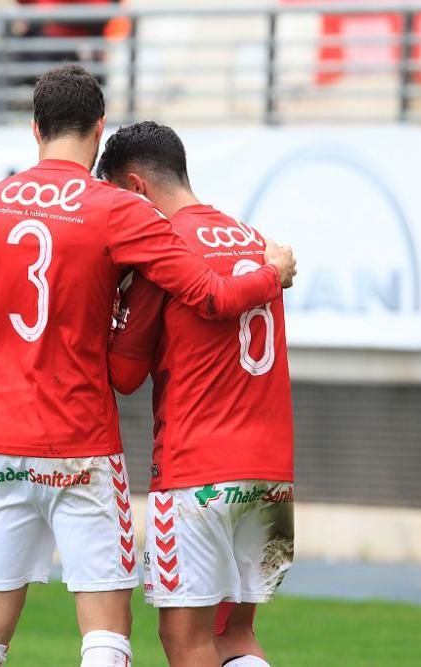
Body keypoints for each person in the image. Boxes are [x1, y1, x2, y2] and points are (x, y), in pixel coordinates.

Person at [0, 66, 297, 667]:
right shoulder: (134, 215)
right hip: (98, 446)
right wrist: (274, 274)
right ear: (98, 125)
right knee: (122, 637)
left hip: (1, 445)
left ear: (35, 129)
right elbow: (213, 296)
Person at [98, 121, 295, 667]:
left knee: (185, 641)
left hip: (197, 473)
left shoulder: (164, 251)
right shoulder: (260, 245)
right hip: (270, 475)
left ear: (136, 189)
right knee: (236, 637)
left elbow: (124, 372)